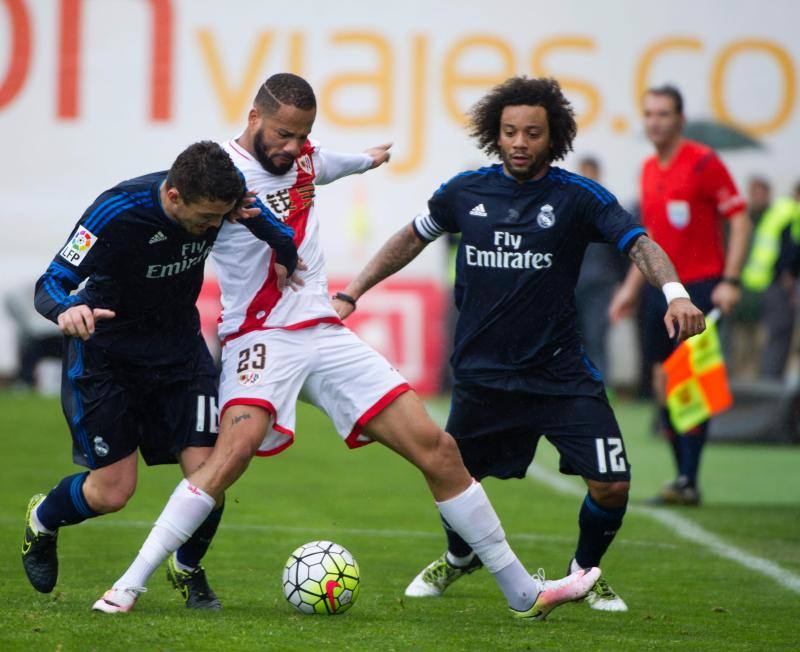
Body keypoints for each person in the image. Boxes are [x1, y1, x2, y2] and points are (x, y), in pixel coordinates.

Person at [94, 73, 599, 620]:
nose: (293, 147)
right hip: (259, 336)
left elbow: (326, 164)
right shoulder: (219, 175)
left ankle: (524, 594)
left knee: (439, 450)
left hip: (324, 333)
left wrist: (366, 158)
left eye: (303, 136)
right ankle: (127, 585)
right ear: (254, 118)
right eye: (284, 135)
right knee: (227, 460)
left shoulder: (303, 158)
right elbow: (166, 214)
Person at [331, 76, 706, 613]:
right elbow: (412, 237)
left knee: (613, 486)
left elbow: (639, 243)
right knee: (452, 477)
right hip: (484, 376)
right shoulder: (465, 192)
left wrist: (674, 293)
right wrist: (351, 293)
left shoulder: (578, 197)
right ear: (495, 134)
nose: (520, 142)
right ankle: (460, 558)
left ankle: (583, 572)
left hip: (559, 373)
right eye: (510, 132)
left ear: (553, 137)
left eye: (533, 132)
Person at [22, 141, 300, 610]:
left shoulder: (222, 202)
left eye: (220, 216)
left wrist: (285, 255)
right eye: (205, 218)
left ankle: (188, 570)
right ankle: (43, 521)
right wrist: (68, 309)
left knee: (212, 475)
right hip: (108, 357)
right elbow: (51, 282)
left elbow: (276, 230)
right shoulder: (116, 210)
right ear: (173, 196)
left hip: (179, 356)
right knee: (112, 492)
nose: (213, 227)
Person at [610, 85, 751, 506]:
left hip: (701, 288)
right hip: (660, 291)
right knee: (661, 383)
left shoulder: (705, 163)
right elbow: (648, 239)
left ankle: (688, 478)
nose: (655, 121)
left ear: (679, 120)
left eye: (664, 114)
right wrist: (631, 289)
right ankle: (681, 475)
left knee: (689, 382)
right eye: (649, 114)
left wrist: (731, 280)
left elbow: (739, 220)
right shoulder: (649, 168)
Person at [574, 157, 628, 381]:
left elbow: (622, 252)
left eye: (590, 173)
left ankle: (602, 387)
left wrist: (622, 285)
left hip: (601, 286)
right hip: (574, 286)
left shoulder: (609, 211)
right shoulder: (571, 209)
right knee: (577, 339)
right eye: (583, 174)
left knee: (597, 337)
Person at [742, 180, 800, 379]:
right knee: (778, 339)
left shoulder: (779, 210)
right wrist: (789, 278)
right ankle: (772, 389)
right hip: (780, 286)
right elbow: (790, 250)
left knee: (773, 339)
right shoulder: (792, 212)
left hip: (766, 283)